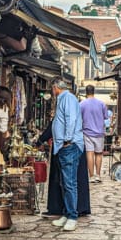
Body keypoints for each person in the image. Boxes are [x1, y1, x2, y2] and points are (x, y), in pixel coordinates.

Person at [50, 78, 84, 231]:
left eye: (52, 89)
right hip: (63, 147)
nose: (52, 92)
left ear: (56, 87)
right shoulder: (64, 99)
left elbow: (71, 119)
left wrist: (67, 139)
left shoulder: (68, 98)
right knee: (65, 182)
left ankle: (72, 216)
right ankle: (66, 212)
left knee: (69, 183)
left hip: (69, 146)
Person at [79, 85, 108, 183]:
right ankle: (98, 175)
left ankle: (91, 176)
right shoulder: (101, 104)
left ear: (86, 92)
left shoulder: (82, 104)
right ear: (94, 91)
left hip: (87, 132)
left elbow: (79, 118)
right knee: (99, 154)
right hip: (99, 132)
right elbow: (105, 117)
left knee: (89, 154)